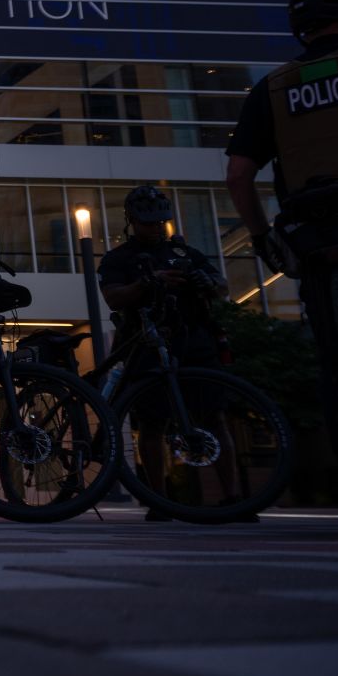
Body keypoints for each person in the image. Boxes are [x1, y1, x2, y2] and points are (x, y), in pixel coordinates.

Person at [225, 0, 338, 535]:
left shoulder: (274, 88)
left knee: (335, 365)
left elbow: (238, 175)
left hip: (317, 234)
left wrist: (260, 239)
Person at [98, 184, 243, 522]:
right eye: (147, 223)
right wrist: (149, 283)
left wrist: (204, 282)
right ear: (132, 220)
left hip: (194, 339)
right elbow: (114, 298)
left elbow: (222, 288)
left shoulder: (186, 253)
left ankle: (233, 496)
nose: (154, 229)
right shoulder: (119, 258)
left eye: (160, 222)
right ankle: (158, 500)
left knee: (215, 416)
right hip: (146, 341)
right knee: (152, 422)